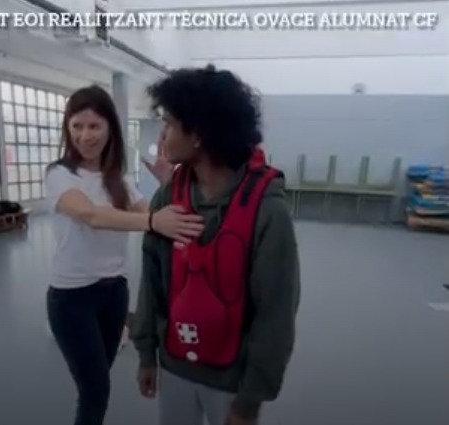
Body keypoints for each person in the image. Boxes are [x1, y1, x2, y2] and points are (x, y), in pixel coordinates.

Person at [131, 65, 301, 425]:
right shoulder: (168, 198)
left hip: (232, 380)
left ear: (198, 135)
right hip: (175, 364)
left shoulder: (267, 210)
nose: (163, 135)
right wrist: (146, 353)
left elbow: (276, 313)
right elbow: (152, 282)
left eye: (169, 124)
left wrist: (251, 399)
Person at [44, 84, 204, 425]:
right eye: (77, 126)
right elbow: (90, 215)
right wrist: (151, 221)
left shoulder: (118, 179)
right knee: (95, 389)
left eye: (94, 126)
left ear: (110, 129)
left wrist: (168, 183)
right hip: (71, 298)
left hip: (114, 293)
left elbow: (157, 214)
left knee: (99, 381)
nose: (85, 135)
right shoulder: (59, 174)